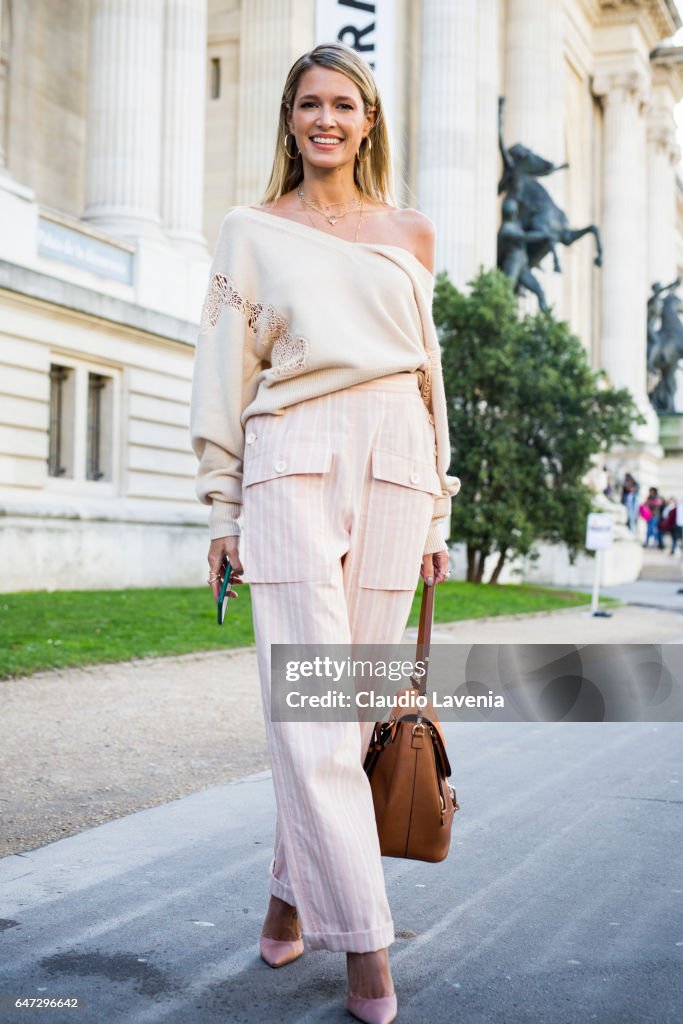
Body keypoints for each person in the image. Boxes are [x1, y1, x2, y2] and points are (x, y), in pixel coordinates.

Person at [189, 42, 460, 1024]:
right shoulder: (250, 229)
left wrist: (438, 505)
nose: (325, 119)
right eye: (308, 104)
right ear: (289, 118)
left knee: (344, 715)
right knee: (310, 713)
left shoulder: (410, 232)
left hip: (395, 456)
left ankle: (285, 897)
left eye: (343, 103)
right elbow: (223, 368)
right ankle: (368, 955)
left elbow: (430, 376)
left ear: (369, 118)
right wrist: (220, 506)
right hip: (289, 451)